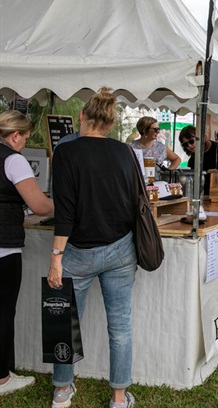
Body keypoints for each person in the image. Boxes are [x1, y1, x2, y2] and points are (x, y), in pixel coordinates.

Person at [47, 88, 137, 408]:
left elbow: (65, 211)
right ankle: (118, 397)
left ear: (82, 117)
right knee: (120, 325)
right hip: (121, 248)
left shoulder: (66, 151)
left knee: (63, 319)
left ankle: (62, 389)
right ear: (111, 124)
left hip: (78, 250)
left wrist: (56, 257)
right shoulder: (125, 152)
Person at [0, 111, 54, 396]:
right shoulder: (13, 159)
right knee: (3, 311)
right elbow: (40, 205)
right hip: (3, 246)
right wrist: (63, 206)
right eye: (25, 136)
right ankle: (2, 379)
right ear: (14, 135)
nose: (25, 142)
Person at [178, 125, 217, 196]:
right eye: (185, 144)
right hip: (203, 196)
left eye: (191, 141)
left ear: (200, 137)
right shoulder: (192, 160)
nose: (189, 146)